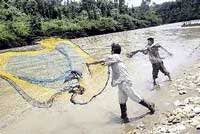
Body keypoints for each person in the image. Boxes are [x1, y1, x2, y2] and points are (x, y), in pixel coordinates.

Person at [86, 43, 155, 123]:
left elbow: (101, 60)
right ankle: (124, 117)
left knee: (134, 96)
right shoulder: (116, 57)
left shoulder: (113, 56)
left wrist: (90, 63)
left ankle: (150, 106)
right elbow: (106, 63)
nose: (110, 51)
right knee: (121, 100)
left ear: (113, 50)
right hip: (121, 81)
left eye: (111, 49)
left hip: (124, 81)